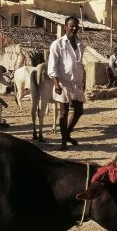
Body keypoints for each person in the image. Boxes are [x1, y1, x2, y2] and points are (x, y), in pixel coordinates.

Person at [48, 15, 86, 151]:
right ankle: (63, 141)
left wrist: (83, 81)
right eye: (72, 26)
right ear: (66, 27)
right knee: (63, 113)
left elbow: (80, 64)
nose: (75, 28)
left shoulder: (80, 44)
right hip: (63, 82)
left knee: (79, 110)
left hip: (76, 83)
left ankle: (67, 134)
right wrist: (56, 84)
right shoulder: (57, 44)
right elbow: (52, 66)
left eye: (76, 26)